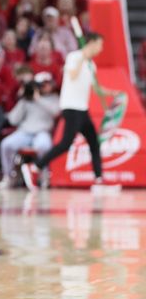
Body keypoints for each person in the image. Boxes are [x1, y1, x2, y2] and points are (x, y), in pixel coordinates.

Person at [22, 33, 120, 191]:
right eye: (99, 45)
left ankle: (99, 180)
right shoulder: (74, 57)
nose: (101, 49)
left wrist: (111, 93)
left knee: (94, 143)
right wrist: (83, 57)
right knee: (65, 144)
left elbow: (96, 89)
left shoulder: (91, 64)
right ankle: (34, 167)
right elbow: (73, 75)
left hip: (83, 109)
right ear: (92, 43)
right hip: (71, 108)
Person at [0, 72, 59, 189]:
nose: (44, 87)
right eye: (41, 85)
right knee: (6, 145)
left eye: (46, 84)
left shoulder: (54, 99)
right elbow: (13, 120)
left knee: (44, 146)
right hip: (25, 132)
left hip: (42, 132)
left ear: (51, 84)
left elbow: (56, 112)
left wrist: (39, 99)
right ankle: (9, 177)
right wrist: (22, 99)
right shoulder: (27, 99)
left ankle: (43, 176)